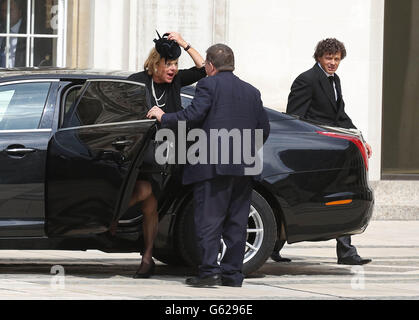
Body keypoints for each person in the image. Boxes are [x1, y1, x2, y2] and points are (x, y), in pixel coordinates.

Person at [147, 44, 270, 287]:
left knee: (209, 221)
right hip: (243, 167)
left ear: (210, 66)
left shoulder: (208, 85)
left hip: (212, 166)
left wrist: (164, 117)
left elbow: (192, 115)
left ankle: (208, 272)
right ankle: (233, 275)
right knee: (237, 222)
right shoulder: (251, 91)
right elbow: (263, 129)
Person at [274, 38, 372, 266]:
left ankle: (346, 252)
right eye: (329, 58)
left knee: (339, 192)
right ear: (319, 57)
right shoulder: (306, 80)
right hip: (312, 150)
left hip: (331, 149)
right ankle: (274, 245)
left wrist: (360, 137)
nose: (333, 63)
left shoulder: (335, 80)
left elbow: (341, 116)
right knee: (294, 196)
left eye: (337, 59)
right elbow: (295, 116)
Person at [123, 31, 206, 279]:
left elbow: (202, 69)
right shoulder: (136, 81)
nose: (173, 69)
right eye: (168, 64)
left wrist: (184, 43)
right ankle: (111, 222)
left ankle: (147, 258)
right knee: (146, 198)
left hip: (169, 156)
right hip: (141, 155)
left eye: (175, 64)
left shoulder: (177, 82)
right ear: (154, 64)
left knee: (151, 202)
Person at [0, 0, 26, 68]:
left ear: (19, 12)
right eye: (3, 11)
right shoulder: (1, 29)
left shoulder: (28, 32)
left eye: (10, 10)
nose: (6, 14)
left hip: (17, 75)